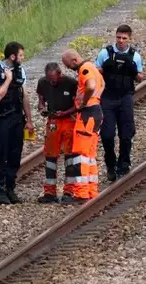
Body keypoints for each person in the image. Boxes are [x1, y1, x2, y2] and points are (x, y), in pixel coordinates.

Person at [0, 41, 34, 204]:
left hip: (16, 117)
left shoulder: (21, 71)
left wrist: (29, 120)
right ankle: (0, 189)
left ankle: (10, 187)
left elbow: (24, 96)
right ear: (12, 56)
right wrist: (8, 80)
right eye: (20, 55)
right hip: (1, 118)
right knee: (1, 154)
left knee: (15, 154)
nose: (23, 58)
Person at [95, 24, 144, 181]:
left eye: (124, 38)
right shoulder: (106, 53)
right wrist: (105, 68)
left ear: (129, 39)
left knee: (126, 134)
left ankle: (124, 163)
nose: (121, 41)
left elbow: (140, 77)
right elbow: (95, 72)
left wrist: (134, 71)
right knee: (107, 134)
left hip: (125, 98)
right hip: (108, 98)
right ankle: (110, 164)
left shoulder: (134, 56)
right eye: (118, 37)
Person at [62, 49, 105, 203]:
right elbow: (102, 84)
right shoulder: (93, 67)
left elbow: (91, 86)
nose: (68, 69)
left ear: (74, 60)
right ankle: (91, 190)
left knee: (80, 155)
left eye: (68, 65)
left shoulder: (84, 69)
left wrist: (83, 102)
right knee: (90, 156)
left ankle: (81, 193)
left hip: (87, 114)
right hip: (96, 112)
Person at [36, 63, 79, 204]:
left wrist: (65, 112)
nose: (51, 82)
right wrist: (42, 108)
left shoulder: (71, 83)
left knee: (70, 156)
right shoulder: (43, 83)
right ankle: (49, 192)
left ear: (60, 74)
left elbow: (79, 104)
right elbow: (41, 99)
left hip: (68, 120)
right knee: (50, 156)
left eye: (53, 79)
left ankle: (69, 191)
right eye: (49, 79)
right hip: (53, 121)